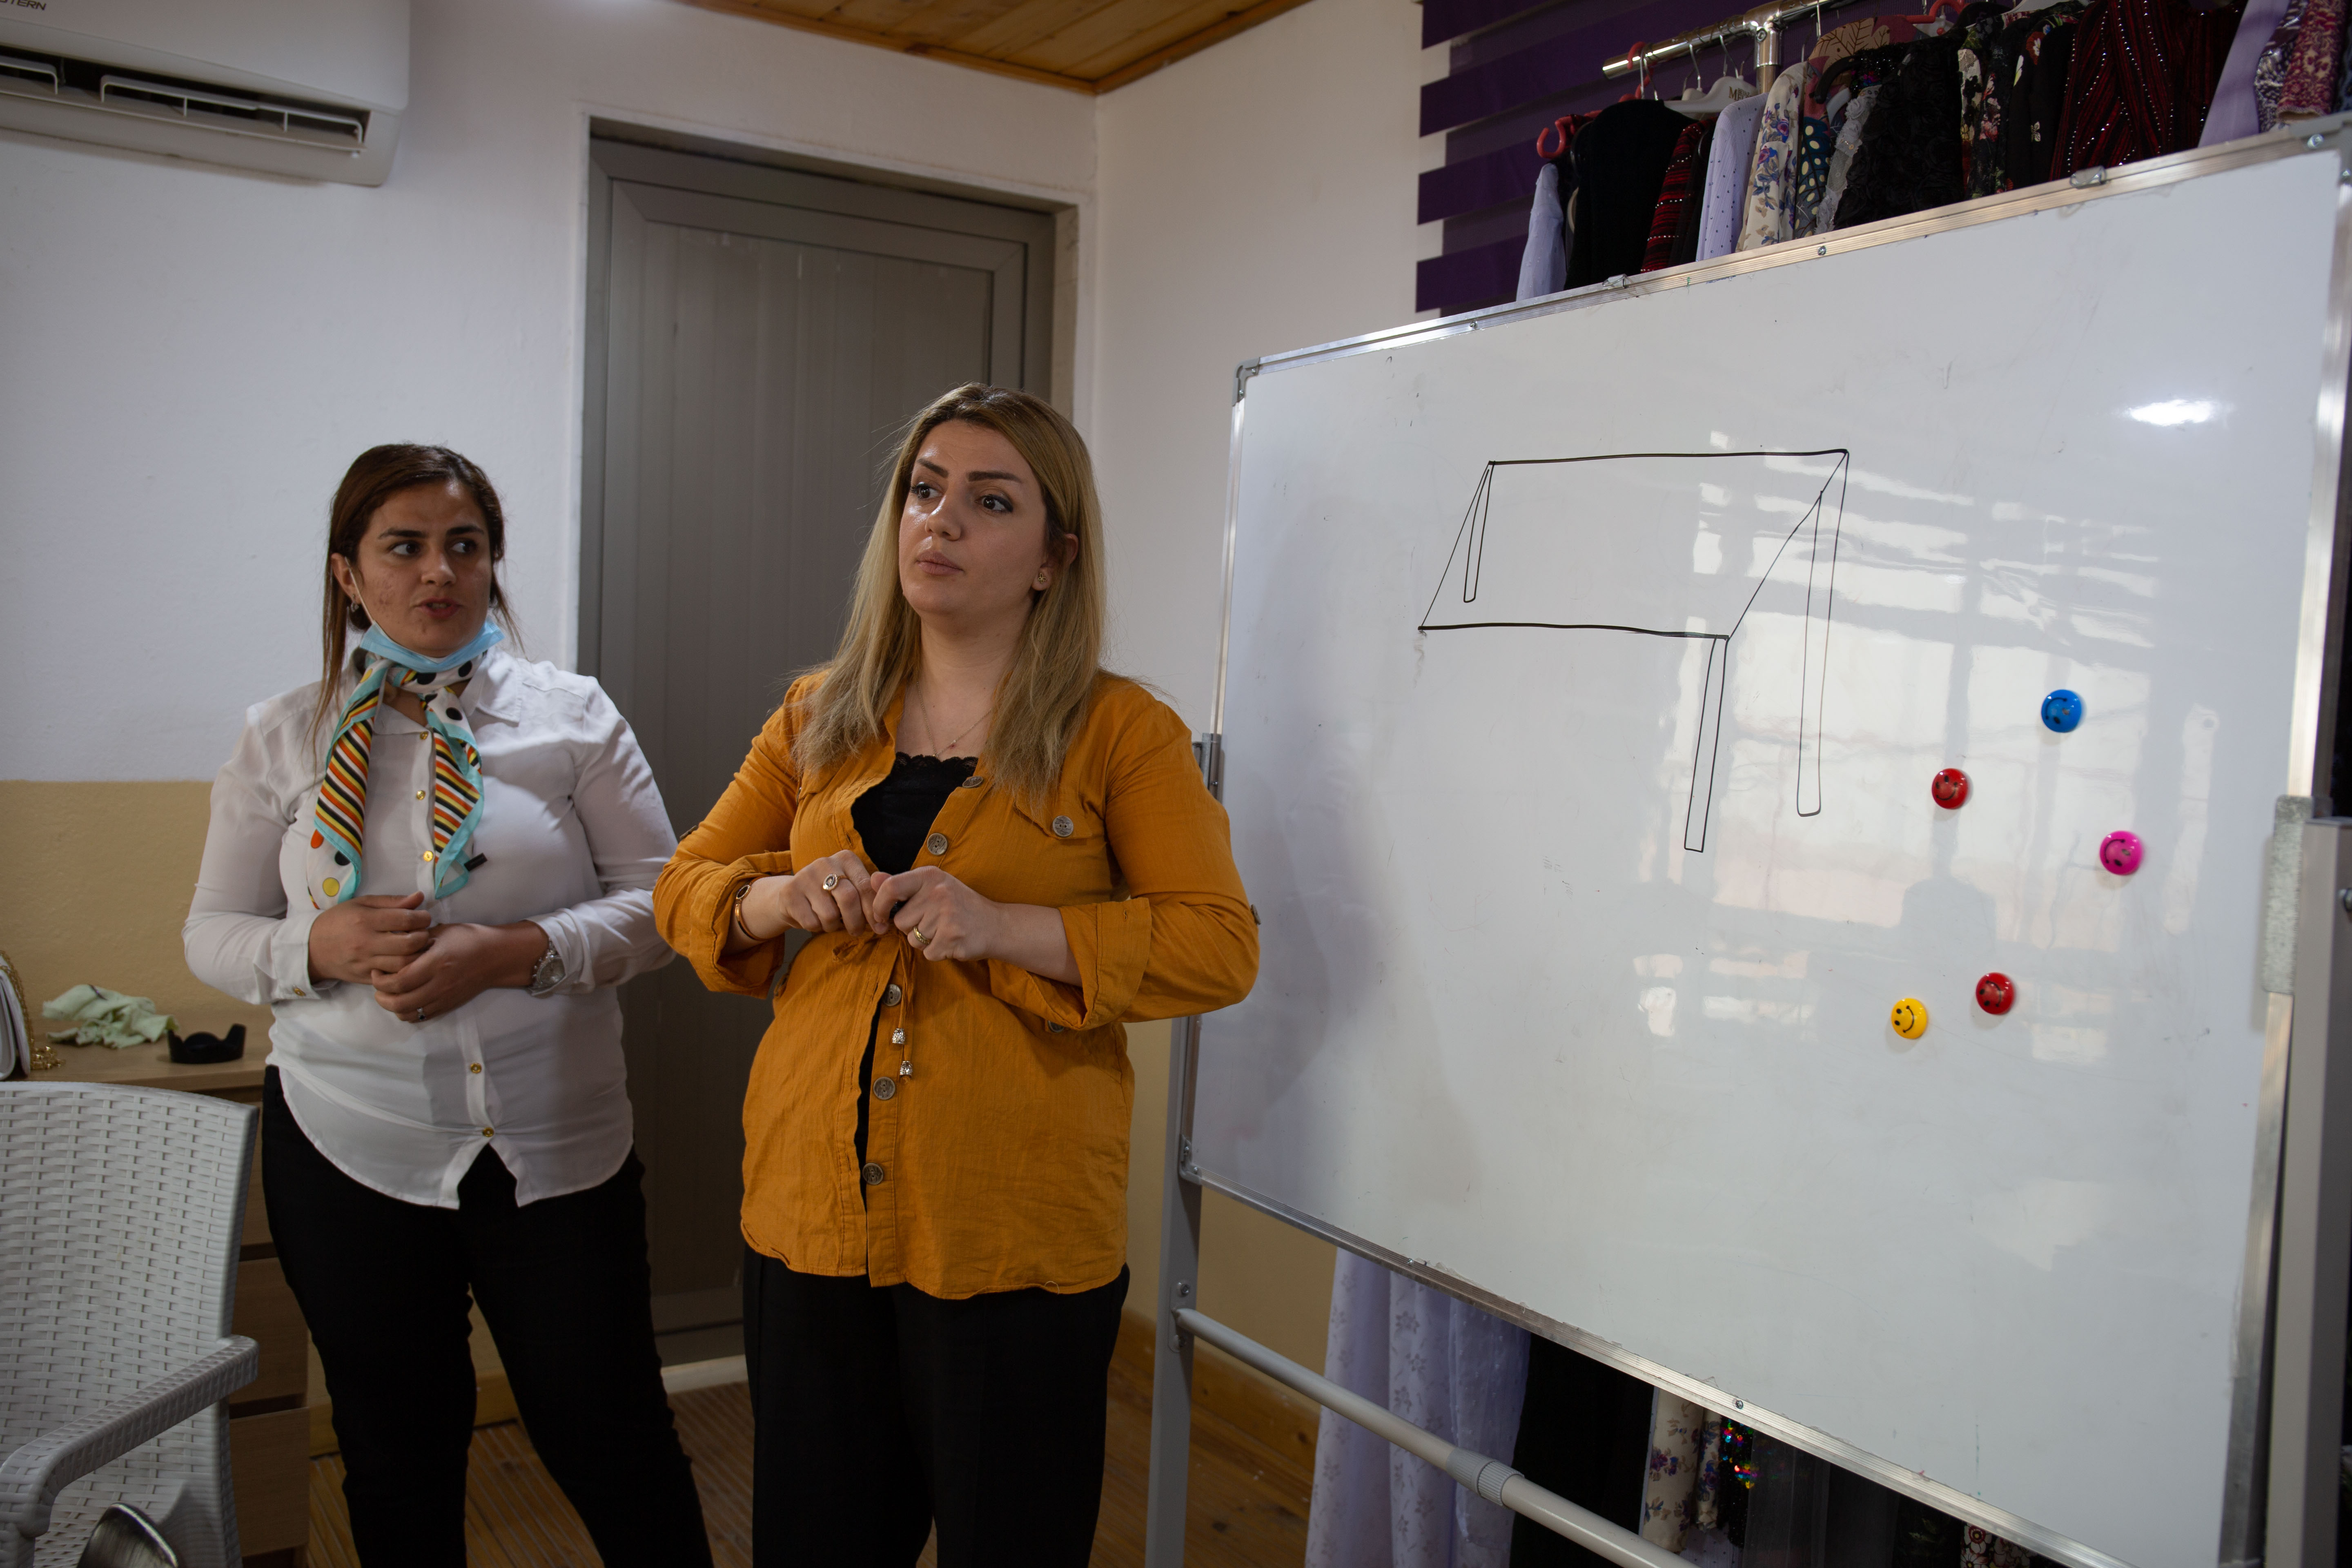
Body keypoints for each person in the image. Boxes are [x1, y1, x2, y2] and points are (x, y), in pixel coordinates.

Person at [655, 384, 1259, 1566]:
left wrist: (1006, 927)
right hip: (810, 1216)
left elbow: (1218, 942)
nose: (942, 521)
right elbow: (685, 885)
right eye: (925, 491)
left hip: (1012, 1234)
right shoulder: (815, 715)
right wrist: (783, 895)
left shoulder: (1121, 732)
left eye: (991, 502)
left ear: (1053, 557)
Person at [183, 445, 711, 1565]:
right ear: (347, 574)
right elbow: (209, 935)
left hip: (559, 1150)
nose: (439, 572)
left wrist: (514, 951)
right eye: (405, 547)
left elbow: (667, 907)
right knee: (394, 1451)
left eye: (464, 546)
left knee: (611, 1433)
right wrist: (313, 943)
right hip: (348, 1146)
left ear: (491, 565)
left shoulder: (572, 717)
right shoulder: (284, 735)